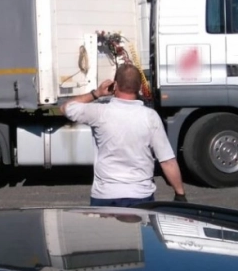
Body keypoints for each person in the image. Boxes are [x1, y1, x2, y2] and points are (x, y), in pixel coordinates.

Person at [60, 63, 187, 207]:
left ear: (115, 85)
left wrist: (97, 93)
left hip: (105, 195)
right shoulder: (150, 117)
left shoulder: (99, 112)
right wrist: (180, 193)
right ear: (139, 87)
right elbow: (167, 161)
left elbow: (66, 108)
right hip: (140, 195)